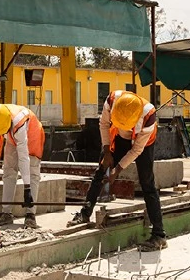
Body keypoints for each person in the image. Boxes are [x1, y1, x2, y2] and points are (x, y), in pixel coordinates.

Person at [67, 90, 167, 250]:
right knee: (101, 171)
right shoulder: (112, 100)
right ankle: (85, 214)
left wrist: (118, 170)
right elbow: (104, 125)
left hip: (143, 144)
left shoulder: (149, 116)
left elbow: (136, 151)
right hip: (118, 137)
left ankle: (159, 235)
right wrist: (107, 152)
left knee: (147, 183)